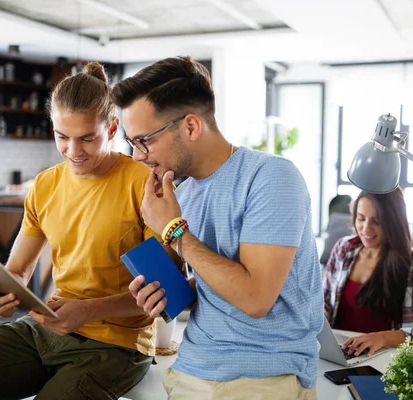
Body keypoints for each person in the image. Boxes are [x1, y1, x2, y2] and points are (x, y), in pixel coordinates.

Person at [0, 62, 162, 399]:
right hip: (43, 329)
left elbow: (160, 295)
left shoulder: (141, 185)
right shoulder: (45, 184)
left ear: (112, 129)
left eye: (86, 138)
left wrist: (89, 311)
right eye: (61, 137)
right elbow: (19, 269)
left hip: (116, 346)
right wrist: (2, 292)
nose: (72, 151)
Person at [111, 56, 323, 399]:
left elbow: (255, 299)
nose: (137, 156)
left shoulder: (272, 177)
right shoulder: (184, 195)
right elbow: (216, 286)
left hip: (265, 375)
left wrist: (174, 231)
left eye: (143, 140)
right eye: (132, 143)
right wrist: (170, 293)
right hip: (190, 367)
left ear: (191, 127)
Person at [323, 189, 413, 358]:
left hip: (385, 360)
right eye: (361, 218)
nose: (366, 229)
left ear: (393, 222)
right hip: (341, 353)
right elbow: (325, 302)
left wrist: (383, 337)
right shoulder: (344, 249)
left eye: (377, 221)